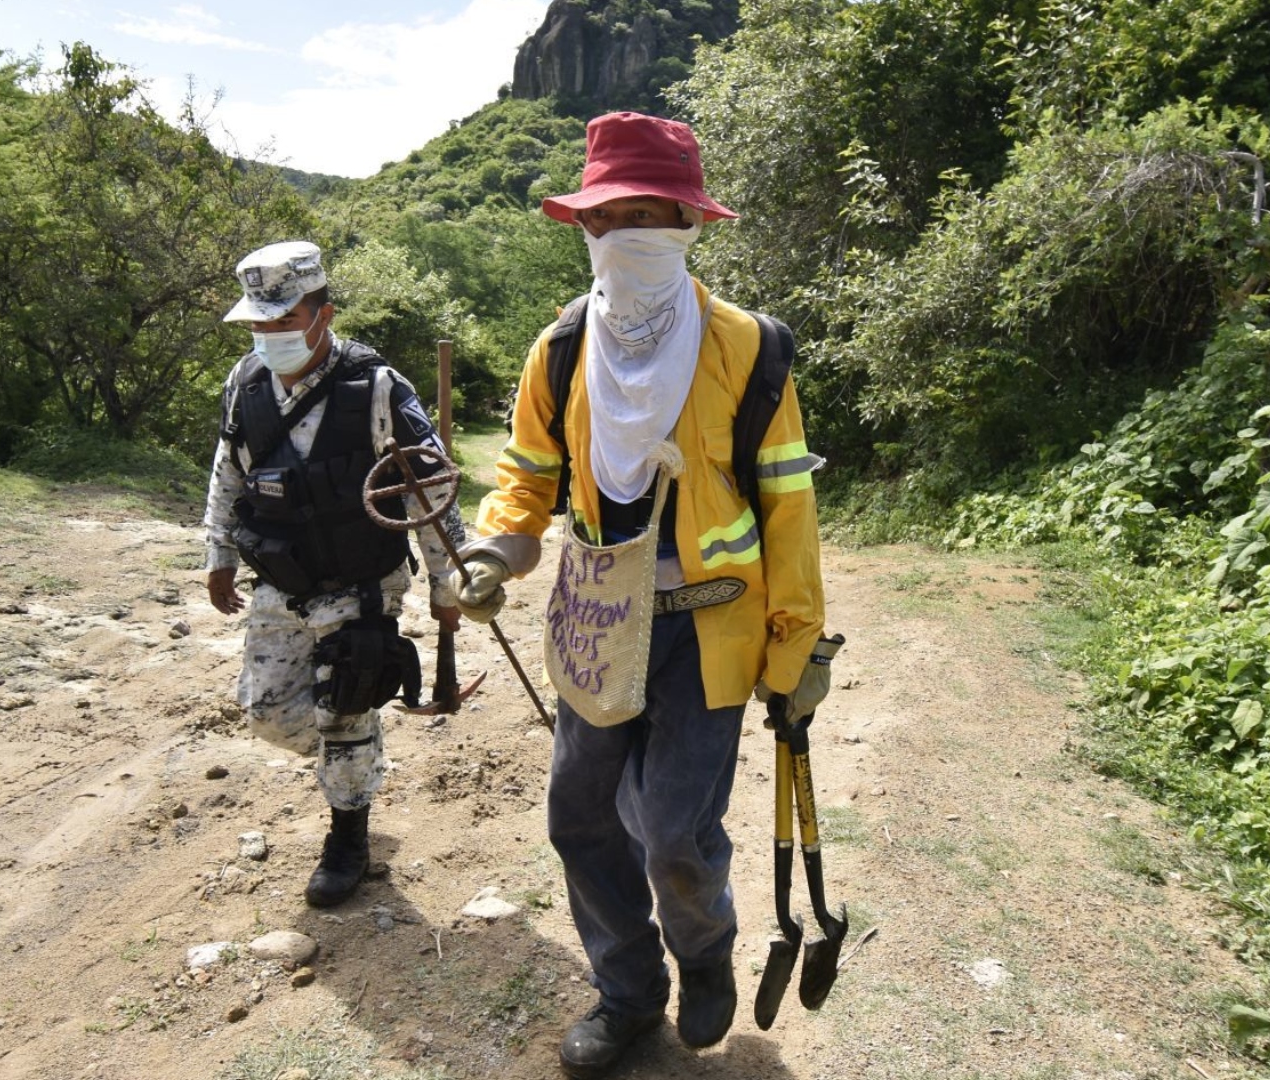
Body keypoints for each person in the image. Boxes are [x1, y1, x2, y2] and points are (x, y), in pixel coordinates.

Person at [449, 113, 833, 1077]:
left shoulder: (751, 349)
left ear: (692, 222)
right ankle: (628, 992)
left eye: (657, 212)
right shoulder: (563, 349)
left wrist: (798, 652)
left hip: (711, 630)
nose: (636, 230)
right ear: (587, 225)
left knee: (671, 830)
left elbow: (788, 507)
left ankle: (703, 956)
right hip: (593, 618)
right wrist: (497, 551)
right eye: (616, 213)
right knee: (579, 817)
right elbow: (528, 476)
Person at [203, 240, 465, 908]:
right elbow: (228, 470)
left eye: (284, 321)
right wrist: (219, 555)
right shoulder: (246, 381)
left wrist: (447, 584)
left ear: (324, 314)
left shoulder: (377, 388)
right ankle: (353, 750)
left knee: (345, 704)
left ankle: (348, 832)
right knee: (269, 714)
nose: (270, 336)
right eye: (259, 324)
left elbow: (428, 494)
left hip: (360, 582)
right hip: (280, 580)